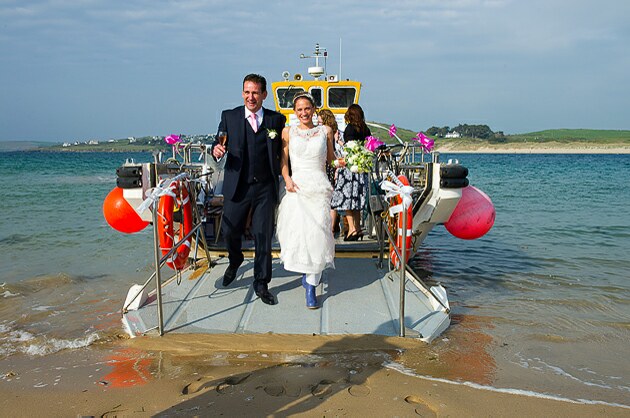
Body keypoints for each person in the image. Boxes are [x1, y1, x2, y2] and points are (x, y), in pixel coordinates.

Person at [211, 74, 287, 305]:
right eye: (246, 92)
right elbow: (218, 141)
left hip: (265, 186)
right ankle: (235, 260)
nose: (250, 97)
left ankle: (261, 283)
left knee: (263, 235)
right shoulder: (230, 116)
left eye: (255, 92)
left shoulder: (276, 120)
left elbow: (286, 150)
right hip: (238, 185)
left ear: (264, 95)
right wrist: (216, 150)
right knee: (229, 230)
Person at [277, 93, 336, 309]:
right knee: (301, 235)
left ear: (314, 109)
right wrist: (287, 179)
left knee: (319, 233)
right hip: (298, 187)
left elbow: (331, 159)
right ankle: (308, 275)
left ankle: (311, 286)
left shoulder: (325, 131)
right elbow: (283, 161)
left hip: (319, 187)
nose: (304, 113)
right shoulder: (287, 132)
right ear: (295, 112)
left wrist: (350, 160)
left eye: (307, 108)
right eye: (299, 109)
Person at [330, 103, 371, 241]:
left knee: (346, 199)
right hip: (361, 170)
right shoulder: (366, 129)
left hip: (349, 170)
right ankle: (358, 228)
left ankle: (352, 229)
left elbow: (349, 150)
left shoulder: (349, 130)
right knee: (358, 200)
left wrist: (338, 143)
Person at [318, 109, 343, 235]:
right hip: (331, 165)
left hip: (327, 164)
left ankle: (330, 226)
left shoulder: (326, 132)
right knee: (331, 196)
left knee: (328, 196)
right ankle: (333, 226)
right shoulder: (334, 131)